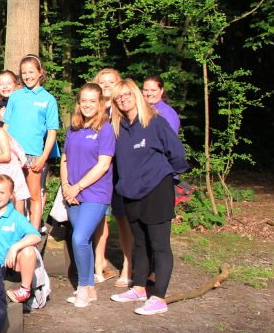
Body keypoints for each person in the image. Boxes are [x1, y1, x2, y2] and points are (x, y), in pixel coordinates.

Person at [109, 79, 188, 316]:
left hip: (157, 189)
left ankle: (159, 298)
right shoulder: (119, 127)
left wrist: (168, 177)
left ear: (136, 95)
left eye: (127, 95)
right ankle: (140, 287)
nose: (123, 100)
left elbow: (177, 154)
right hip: (131, 192)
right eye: (118, 97)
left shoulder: (155, 122)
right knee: (140, 243)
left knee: (159, 245)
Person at [60, 84, 115, 307]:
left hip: (95, 193)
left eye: (92, 101)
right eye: (84, 100)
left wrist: (78, 187)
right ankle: (90, 289)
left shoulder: (106, 129)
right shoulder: (73, 129)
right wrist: (66, 186)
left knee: (79, 238)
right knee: (85, 240)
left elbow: (103, 165)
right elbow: (64, 159)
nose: (88, 105)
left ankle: (83, 287)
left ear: (100, 103)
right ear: (78, 103)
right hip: (72, 194)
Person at [3, 54, 59, 230]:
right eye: (24, 73)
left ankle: (33, 234)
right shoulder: (15, 96)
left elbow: (52, 133)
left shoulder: (48, 100)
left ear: (40, 72)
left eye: (31, 72)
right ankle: (17, 230)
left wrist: (43, 158)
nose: (28, 76)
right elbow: (6, 125)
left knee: (34, 195)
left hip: (34, 154)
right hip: (12, 153)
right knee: (14, 194)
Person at [0, 175, 41, 304]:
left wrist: (15, 247)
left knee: (28, 250)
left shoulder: (16, 217)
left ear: (11, 195)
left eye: (2, 193)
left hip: (9, 265)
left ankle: (25, 290)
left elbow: (36, 236)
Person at [94, 67, 128, 285]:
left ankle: (128, 266)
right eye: (102, 82)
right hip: (99, 173)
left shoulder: (123, 109)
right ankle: (99, 266)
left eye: (111, 82)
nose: (106, 85)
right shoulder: (92, 109)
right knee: (99, 221)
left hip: (121, 172)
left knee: (123, 222)